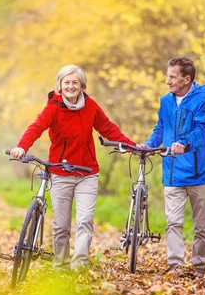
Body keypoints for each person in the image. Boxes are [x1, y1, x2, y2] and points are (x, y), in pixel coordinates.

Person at [9, 64, 135, 271]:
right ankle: (61, 265)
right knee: (61, 225)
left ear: (82, 86)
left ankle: (80, 265)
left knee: (85, 220)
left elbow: (107, 127)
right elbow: (36, 127)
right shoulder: (53, 108)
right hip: (60, 172)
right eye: (66, 82)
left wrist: (129, 145)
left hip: (87, 173)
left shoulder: (91, 106)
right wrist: (22, 146)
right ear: (59, 86)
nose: (71, 86)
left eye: (75, 82)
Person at [140, 56, 205, 278]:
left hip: (200, 173)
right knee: (173, 222)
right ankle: (175, 266)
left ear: (186, 79)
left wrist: (184, 142)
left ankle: (199, 267)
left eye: (172, 77)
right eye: (167, 76)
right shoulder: (166, 101)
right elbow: (161, 127)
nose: (167, 81)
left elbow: (204, 129)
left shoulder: (203, 99)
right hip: (172, 172)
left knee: (201, 227)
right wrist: (149, 144)